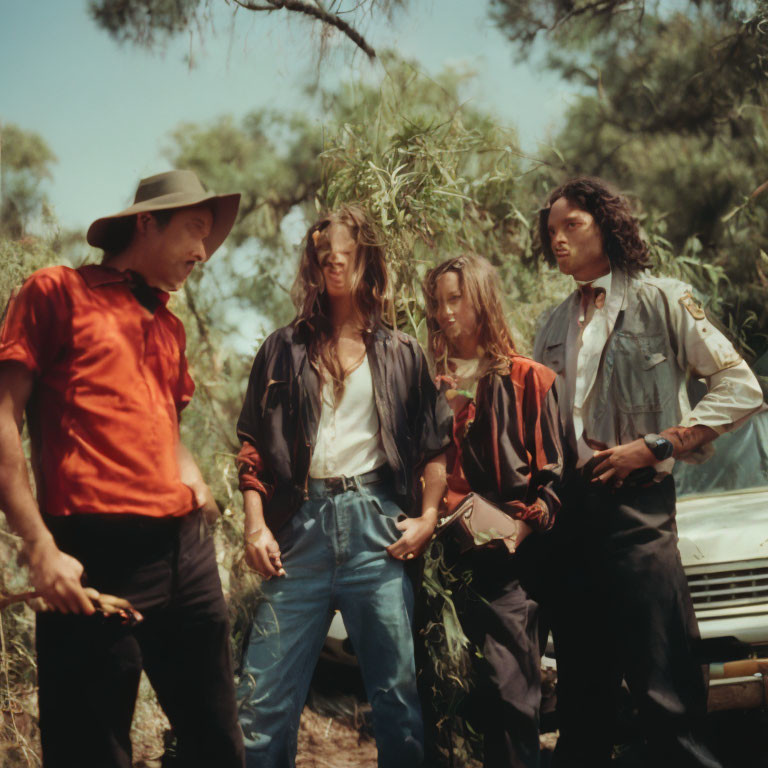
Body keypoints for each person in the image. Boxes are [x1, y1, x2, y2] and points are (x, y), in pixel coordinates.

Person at [0, 169, 245, 768]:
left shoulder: (169, 326)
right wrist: (39, 546)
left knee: (217, 743)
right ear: (145, 223)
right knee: (93, 750)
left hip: (186, 556)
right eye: (194, 231)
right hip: (94, 557)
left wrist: (199, 485)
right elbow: (3, 415)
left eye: (208, 240)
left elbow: (164, 427)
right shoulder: (56, 292)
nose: (201, 252)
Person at [533, 176, 765, 767]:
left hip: (639, 517)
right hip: (569, 522)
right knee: (583, 712)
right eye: (551, 231)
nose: (558, 241)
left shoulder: (664, 298)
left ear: (606, 225)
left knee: (667, 699)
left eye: (572, 226)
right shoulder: (552, 325)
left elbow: (740, 388)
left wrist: (658, 445)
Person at [235, 204, 451, 768]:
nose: (336, 266)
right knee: (261, 700)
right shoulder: (282, 348)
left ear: (367, 261)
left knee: (395, 697)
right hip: (298, 532)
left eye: (348, 256)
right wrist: (254, 523)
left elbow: (434, 450)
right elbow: (254, 445)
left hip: (375, 529)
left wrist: (427, 518)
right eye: (326, 257)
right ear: (313, 262)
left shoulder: (402, 352)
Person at [421, 255, 564, 768]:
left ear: (481, 297)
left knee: (510, 697)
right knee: (447, 699)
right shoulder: (426, 385)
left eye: (455, 298)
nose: (444, 312)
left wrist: (523, 527)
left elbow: (553, 478)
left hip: (509, 567)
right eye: (437, 302)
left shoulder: (530, 380)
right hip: (439, 563)